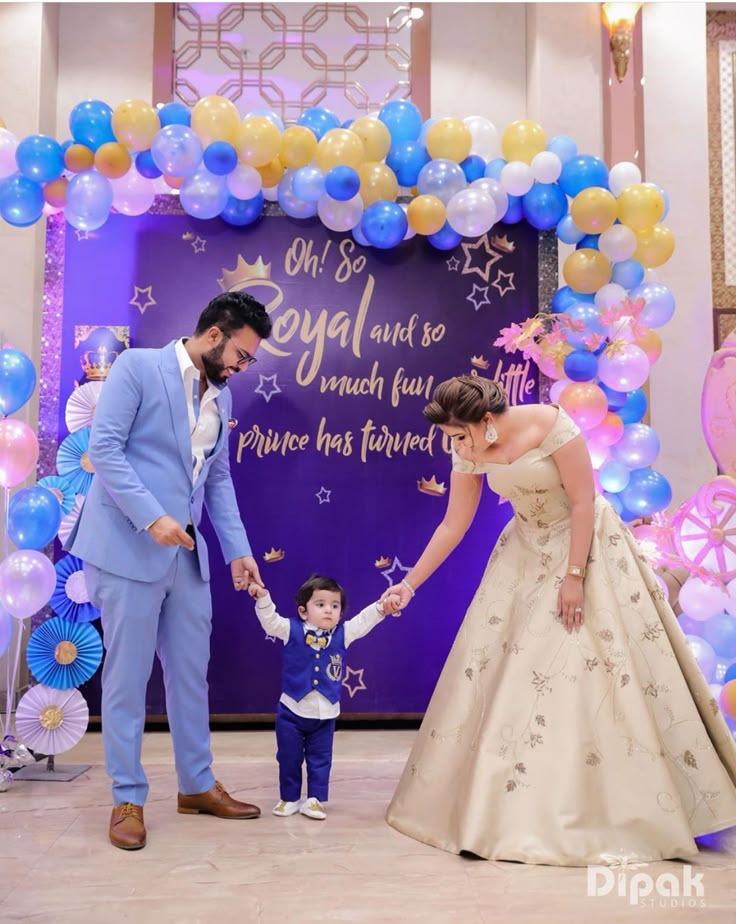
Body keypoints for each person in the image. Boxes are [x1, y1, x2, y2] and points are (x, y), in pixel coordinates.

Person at [383, 374, 736, 866]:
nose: (456, 447)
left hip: (584, 545)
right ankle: (509, 809)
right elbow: (453, 523)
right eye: (451, 439)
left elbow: (582, 501)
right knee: (514, 675)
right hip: (524, 551)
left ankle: (618, 809)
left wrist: (574, 576)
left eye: (460, 436)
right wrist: (409, 584)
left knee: (592, 662)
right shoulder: (467, 445)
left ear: (486, 421)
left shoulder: (549, 424)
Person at [67, 291, 272, 850]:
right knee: (127, 679)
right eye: (242, 356)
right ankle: (127, 797)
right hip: (127, 547)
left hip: (187, 553)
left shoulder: (222, 400)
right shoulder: (136, 367)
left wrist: (237, 550)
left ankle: (196, 785)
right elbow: (105, 450)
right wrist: (153, 518)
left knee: (190, 674)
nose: (243, 368)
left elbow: (219, 479)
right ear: (214, 335)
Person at [248, 575, 400, 820]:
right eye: (320, 604)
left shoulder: (343, 634)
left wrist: (382, 607)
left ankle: (315, 799)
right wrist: (263, 598)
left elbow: (364, 620)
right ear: (303, 611)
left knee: (321, 760)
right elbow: (270, 622)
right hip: (292, 712)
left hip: (326, 714)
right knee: (289, 757)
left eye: (335, 605)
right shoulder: (290, 629)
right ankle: (289, 797)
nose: (328, 610)